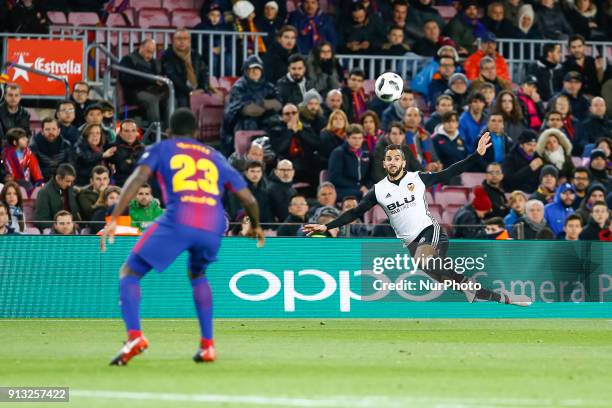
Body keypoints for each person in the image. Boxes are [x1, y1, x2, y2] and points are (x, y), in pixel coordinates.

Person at [101, 108, 264, 365]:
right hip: (213, 223)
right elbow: (248, 199)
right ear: (197, 133)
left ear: (168, 131)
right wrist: (255, 225)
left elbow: (137, 178)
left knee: (129, 273)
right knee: (198, 274)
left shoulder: (163, 148)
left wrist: (114, 218)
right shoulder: (216, 156)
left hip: (179, 218)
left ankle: (134, 336)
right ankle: (208, 345)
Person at [304, 132, 532, 306]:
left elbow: (450, 172)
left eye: (397, 158)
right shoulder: (379, 190)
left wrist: (476, 155)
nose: (393, 162)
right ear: (384, 164)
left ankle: (471, 287)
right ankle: (501, 298)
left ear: (403, 163)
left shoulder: (417, 178)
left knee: (427, 260)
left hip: (431, 233)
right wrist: (326, 225)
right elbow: (355, 212)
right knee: (448, 279)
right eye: (389, 159)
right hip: (412, 244)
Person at [222, 55, 281, 153]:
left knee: (277, 123)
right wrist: (267, 105)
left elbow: (278, 104)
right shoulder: (239, 87)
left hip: (265, 120)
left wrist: (261, 103)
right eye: (251, 69)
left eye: (257, 68)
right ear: (246, 71)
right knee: (248, 123)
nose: (255, 71)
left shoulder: (269, 86)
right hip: (241, 122)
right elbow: (247, 110)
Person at [161, 28, 219, 108]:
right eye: (179, 39)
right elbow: (172, 76)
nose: (182, 41)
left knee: (213, 98)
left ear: (189, 41)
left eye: (185, 39)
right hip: (178, 91)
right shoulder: (168, 55)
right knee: (183, 101)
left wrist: (202, 88)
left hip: (197, 88)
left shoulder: (195, 54)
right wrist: (190, 91)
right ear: (173, 40)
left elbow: (204, 72)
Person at [268, 103, 319, 188]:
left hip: (307, 164)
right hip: (287, 164)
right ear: (282, 116)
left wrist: (299, 132)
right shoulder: (275, 129)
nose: (291, 116)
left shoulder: (306, 127)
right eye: (287, 114)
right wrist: (290, 132)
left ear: (298, 114)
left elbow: (316, 144)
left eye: (294, 113)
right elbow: (279, 148)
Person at [118, 39, 167, 126]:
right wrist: (150, 80)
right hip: (135, 92)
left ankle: (168, 130)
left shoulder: (154, 62)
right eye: (148, 51)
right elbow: (126, 79)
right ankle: (155, 133)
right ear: (141, 47)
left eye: (152, 52)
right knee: (152, 99)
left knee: (170, 96)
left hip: (153, 90)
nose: (150, 55)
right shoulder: (128, 60)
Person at [328, 124, 371, 200]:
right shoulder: (338, 153)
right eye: (354, 138)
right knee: (360, 195)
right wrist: (359, 187)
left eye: (360, 138)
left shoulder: (365, 153)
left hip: (361, 188)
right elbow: (335, 177)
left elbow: (369, 174)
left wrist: (367, 187)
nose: (357, 141)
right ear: (347, 138)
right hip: (342, 189)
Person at [33, 163, 79, 232]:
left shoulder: (69, 188)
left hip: (71, 229)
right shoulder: (44, 192)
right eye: (67, 181)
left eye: (71, 182)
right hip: (53, 231)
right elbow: (40, 220)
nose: (69, 184)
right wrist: (59, 226)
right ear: (58, 178)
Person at [2, 127, 43, 192]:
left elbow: (36, 172)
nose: (27, 140)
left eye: (26, 137)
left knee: (28, 185)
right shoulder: (4, 155)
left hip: (25, 184)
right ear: (15, 142)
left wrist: (40, 184)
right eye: (23, 139)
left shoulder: (29, 155)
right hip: (7, 184)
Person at [107, 120, 146, 187]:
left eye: (133, 130)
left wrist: (130, 161)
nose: (130, 134)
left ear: (137, 133)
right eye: (126, 131)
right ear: (120, 133)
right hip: (120, 185)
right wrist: (136, 161)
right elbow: (123, 167)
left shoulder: (142, 148)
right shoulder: (112, 147)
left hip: (140, 185)